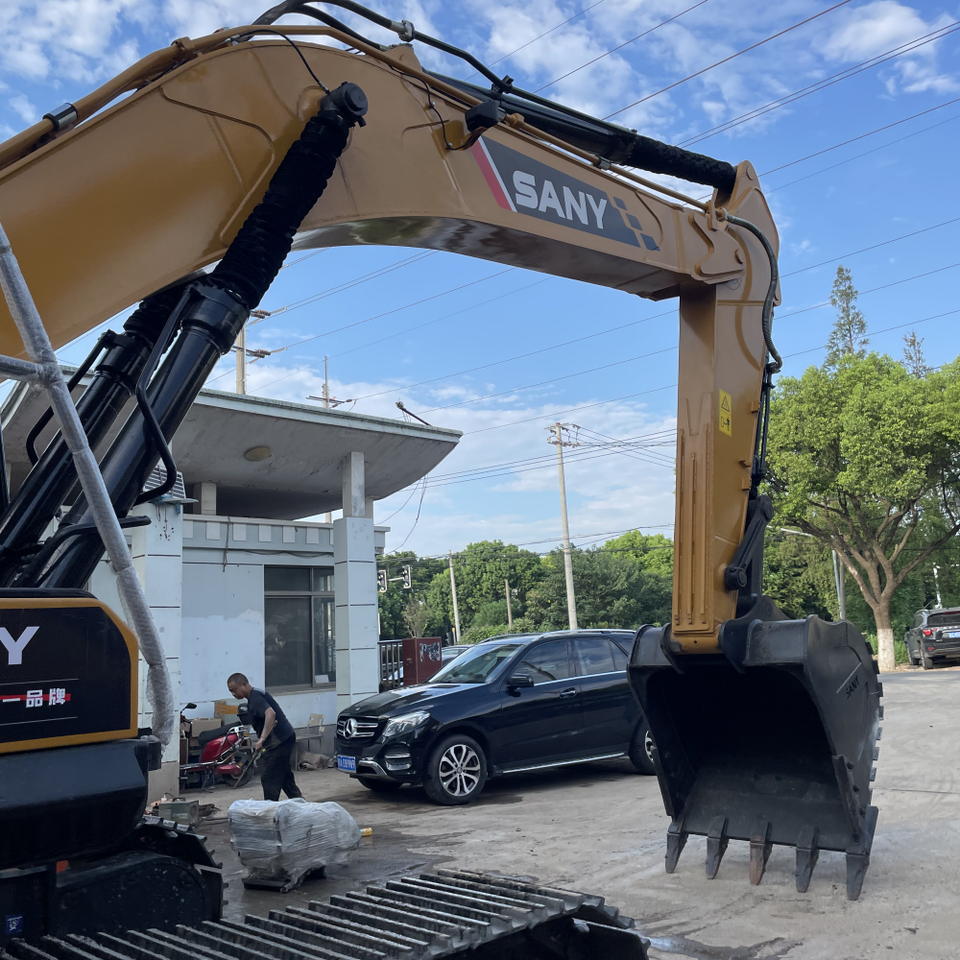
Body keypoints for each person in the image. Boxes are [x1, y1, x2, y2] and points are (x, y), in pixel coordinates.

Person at [226, 672, 302, 801]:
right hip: (284, 737)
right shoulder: (255, 695)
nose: (233, 693)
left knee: (269, 777)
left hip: (279, 741)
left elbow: (270, 714)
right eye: (230, 691)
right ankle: (300, 803)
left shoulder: (255, 698)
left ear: (243, 685)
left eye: (234, 690)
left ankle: (269, 808)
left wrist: (261, 739)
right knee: (283, 775)